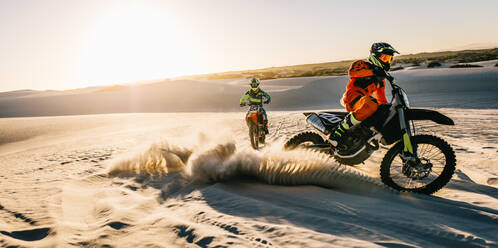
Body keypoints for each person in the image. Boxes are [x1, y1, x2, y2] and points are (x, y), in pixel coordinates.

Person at [329, 42, 399, 147]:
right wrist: (373, 71)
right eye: (384, 58)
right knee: (371, 104)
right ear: (374, 56)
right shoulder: (362, 65)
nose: (387, 62)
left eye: (389, 59)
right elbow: (353, 72)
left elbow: (382, 100)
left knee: (384, 109)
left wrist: (388, 109)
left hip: (365, 101)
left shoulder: (381, 81)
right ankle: (338, 130)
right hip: (352, 97)